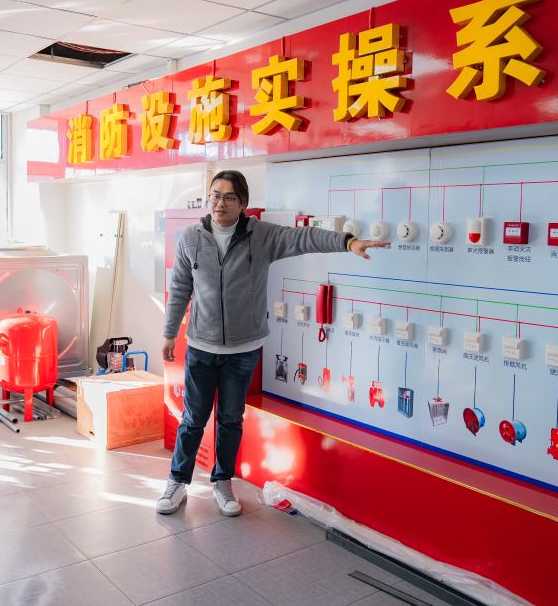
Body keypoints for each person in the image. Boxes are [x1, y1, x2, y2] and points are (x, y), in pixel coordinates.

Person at [158, 170, 389, 516]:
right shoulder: (191, 238)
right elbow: (179, 287)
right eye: (215, 195)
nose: (220, 203)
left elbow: (303, 237)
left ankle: (223, 482)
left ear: (243, 203)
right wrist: (169, 333)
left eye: (229, 197)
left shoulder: (261, 236)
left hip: (243, 350)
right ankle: (177, 481)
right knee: (193, 419)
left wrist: (347, 242)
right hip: (201, 348)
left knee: (230, 419)